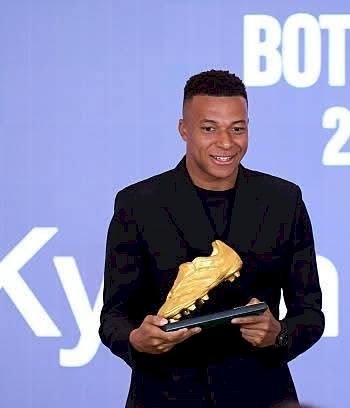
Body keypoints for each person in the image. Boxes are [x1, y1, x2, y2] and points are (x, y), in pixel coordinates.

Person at [99, 70, 324, 408]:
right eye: (209, 128)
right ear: (184, 129)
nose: (226, 142)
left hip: (261, 394)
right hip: (164, 395)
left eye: (237, 128)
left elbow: (310, 313)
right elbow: (113, 316)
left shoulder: (283, 200)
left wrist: (278, 335)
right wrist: (136, 340)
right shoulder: (139, 204)